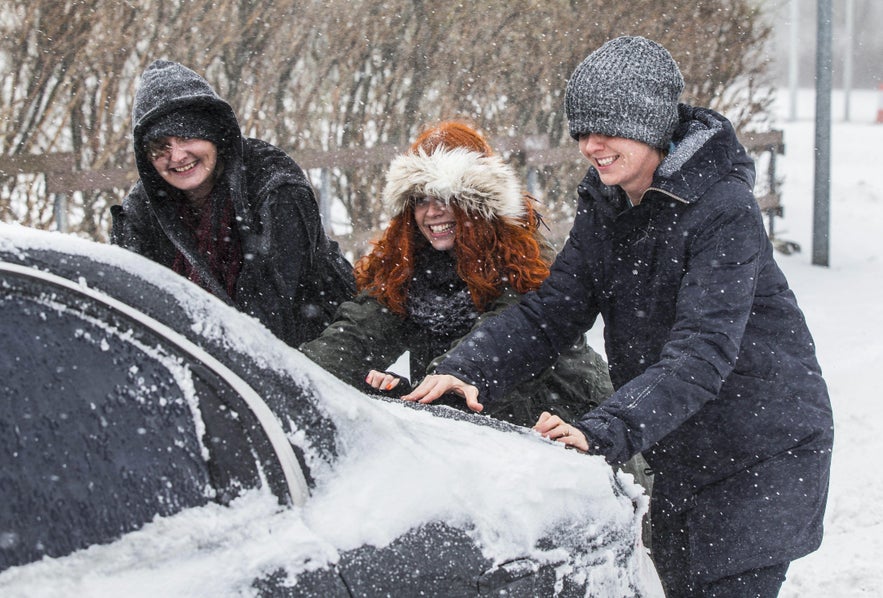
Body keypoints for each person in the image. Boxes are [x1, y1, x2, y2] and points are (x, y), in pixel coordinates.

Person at [403, 37, 833, 597]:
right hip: (681, 445)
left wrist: (599, 431)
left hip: (759, 452)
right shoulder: (607, 202)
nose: (590, 145)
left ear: (651, 121)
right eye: (581, 130)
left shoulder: (723, 209)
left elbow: (701, 354)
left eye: (606, 128)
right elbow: (552, 313)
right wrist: (466, 369)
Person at [300, 121, 614, 428]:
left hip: (568, 426)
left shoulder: (524, 262)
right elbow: (356, 335)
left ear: (478, 202)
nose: (432, 211)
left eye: (446, 196)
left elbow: (501, 343)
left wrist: (432, 391)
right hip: (469, 437)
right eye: (421, 198)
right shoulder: (408, 266)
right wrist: (298, 374)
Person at [110, 60, 355, 348]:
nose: (176, 156)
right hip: (200, 362)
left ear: (212, 133)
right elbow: (131, 310)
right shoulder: (142, 213)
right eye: (161, 146)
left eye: (187, 136)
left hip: (314, 352)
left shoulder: (274, 186)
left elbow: (270, 314)